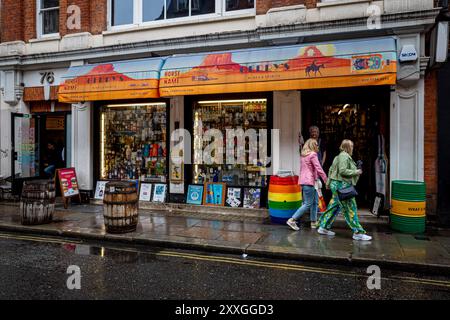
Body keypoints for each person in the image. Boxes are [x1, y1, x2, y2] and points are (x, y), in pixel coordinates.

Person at [317, 139, 372, 241]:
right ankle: (358, 232)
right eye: (351, 146)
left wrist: (328, 183)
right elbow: (342, 171)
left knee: (334, 207)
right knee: (350, 208)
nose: (352, 148)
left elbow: (331, 170)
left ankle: (323, 227)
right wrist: (356, 171)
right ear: (348, 147)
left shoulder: (338, 156)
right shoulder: (344, 156)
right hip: (342, 186)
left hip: (336, 184)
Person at [287, 139, 327, 231]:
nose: (318, 146)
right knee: (308, 203)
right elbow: (319, 168)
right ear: (312, 145)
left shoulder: (303, 155)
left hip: (306, 181)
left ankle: (313, 222)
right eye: (316, 144)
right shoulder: (313, 155)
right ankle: (292, 219)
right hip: (310, 182)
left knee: (315, 202)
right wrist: (326, 179)